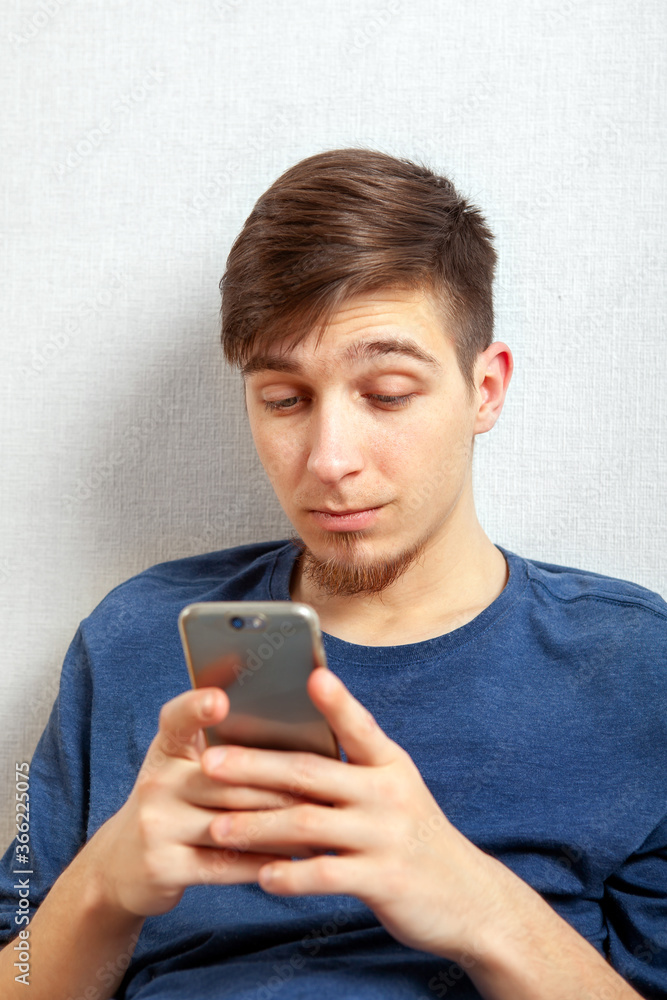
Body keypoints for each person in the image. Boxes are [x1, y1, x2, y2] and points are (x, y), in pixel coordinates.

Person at [0, 147, 665, 1000]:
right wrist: (103, 889)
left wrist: (479, 905)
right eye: (283, 399)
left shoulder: (630, 663)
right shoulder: (132, 635)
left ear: (485, 389)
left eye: (386, 393)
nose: (328, 460)